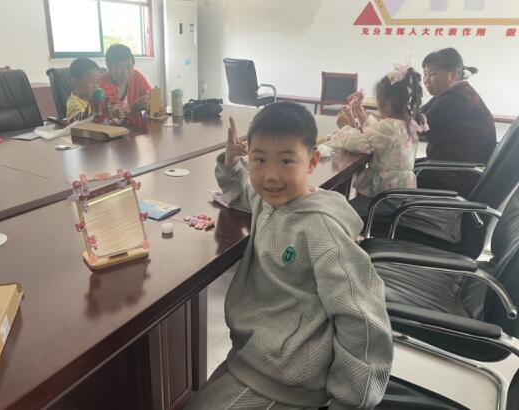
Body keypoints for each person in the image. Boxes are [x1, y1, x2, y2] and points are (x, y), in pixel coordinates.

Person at [185, 102, 393, 410]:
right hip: (254, 358)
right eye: (259, 160)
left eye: (285, 161)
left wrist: (350, 400)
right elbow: (242, 193)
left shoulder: (321, 229)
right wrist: (230, 163)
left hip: (285, 379)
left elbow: (363, 314)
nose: (270, 176)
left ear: (312, 162)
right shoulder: (271, 201)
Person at [328, 66, 427, 217]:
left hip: (381, 202)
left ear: (388, 104)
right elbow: (376, 134)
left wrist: (345, 127)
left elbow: (363, 145)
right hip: (398, 199)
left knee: (336, 213)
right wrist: (358, 110)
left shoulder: (391, 126)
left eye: (378, 100)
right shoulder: (408, 123)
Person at [421, 47, 496, 194]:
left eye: (433, 73)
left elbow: (415, 126)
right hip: (455, 169)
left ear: (455, 74)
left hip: (456, 177)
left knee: (395, 176)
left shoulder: (457, 99)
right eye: (425, 74)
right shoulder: (451, 93)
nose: (426, 80)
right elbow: (417, 116)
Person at [99, 44, 151, 128]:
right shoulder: (101, 83)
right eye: (119, 67)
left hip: (137, 130)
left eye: (129, 66)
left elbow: (150, 96)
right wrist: (130, 108)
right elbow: (113, 112)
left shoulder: (136, 76)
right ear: (109, 67)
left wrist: (150, 103)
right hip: (111, 132)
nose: (125, 72)